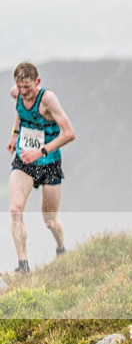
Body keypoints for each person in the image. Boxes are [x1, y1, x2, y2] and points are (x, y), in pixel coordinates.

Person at [6, 62, 76, 274]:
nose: (24, 92)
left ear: (37, 82)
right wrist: (15, 133)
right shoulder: (16, 93)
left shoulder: (48, 100)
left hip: (49, 162)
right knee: (15, 210)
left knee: (50, 220)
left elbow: (69, 133)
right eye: (20, 87)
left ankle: (61, 249)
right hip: (25, 160)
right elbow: (21, 110)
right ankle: (23, 266)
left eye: (28, 87)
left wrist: (41, 151)